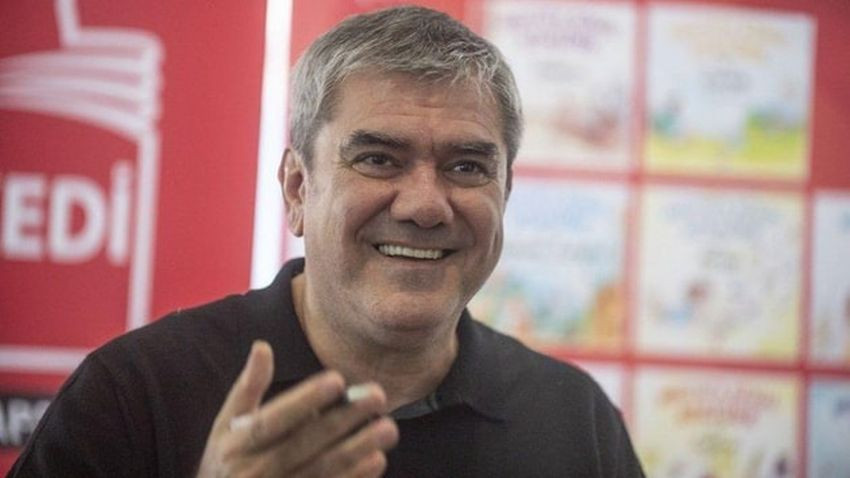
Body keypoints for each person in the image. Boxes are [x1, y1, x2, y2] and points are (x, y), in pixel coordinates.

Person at [10, 6, 644, 477]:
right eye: (378, 159)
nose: (425, 206)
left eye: (467, 167)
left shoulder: (573, 420)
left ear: (504, 193)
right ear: (296, 188)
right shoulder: (134, 394)